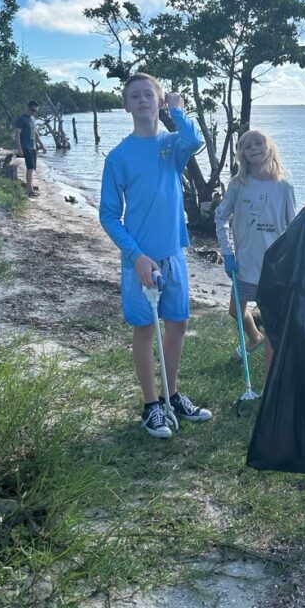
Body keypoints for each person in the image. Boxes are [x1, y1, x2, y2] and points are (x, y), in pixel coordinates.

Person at [99, 73, 213, 439]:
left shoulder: (171, 145)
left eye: (149, 94)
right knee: (145, 329)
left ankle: (172, 395)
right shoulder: (118, 157)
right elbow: (108, 215)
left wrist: (177, 111)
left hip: (173, 253)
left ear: (159, 101)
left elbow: (194, 139)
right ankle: (151, 406)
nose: (142, 100)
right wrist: (136, 256)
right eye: (135, 95)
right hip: (139, 260)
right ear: (126, 105)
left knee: (178, 323)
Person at [215, 130, 296, 378]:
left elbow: (292, 227)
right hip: (245, 263)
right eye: (247, 146)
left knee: (274, 323)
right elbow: (221, 217)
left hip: (273, 268)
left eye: (258, 144)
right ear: (242, 154)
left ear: (269, 146)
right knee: (235, 311)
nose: (254, 149)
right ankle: (254, 337)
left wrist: (291, 263)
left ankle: (270, 381)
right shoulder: (238, 185)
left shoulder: (284, 186)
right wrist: (227, 253)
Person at [14, 99, 47, 197]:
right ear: (28, 108)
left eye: (35, 111)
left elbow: (35, 132)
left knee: (32, 168)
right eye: (32, 110)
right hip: (26, 146)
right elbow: (17, 134)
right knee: (30, 167)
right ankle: (30, 190)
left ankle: (30, 186)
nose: (33, 112)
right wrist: (19, 148)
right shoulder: (22, 119)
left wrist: (42, 145)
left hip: (33, 146)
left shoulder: (32, 119)